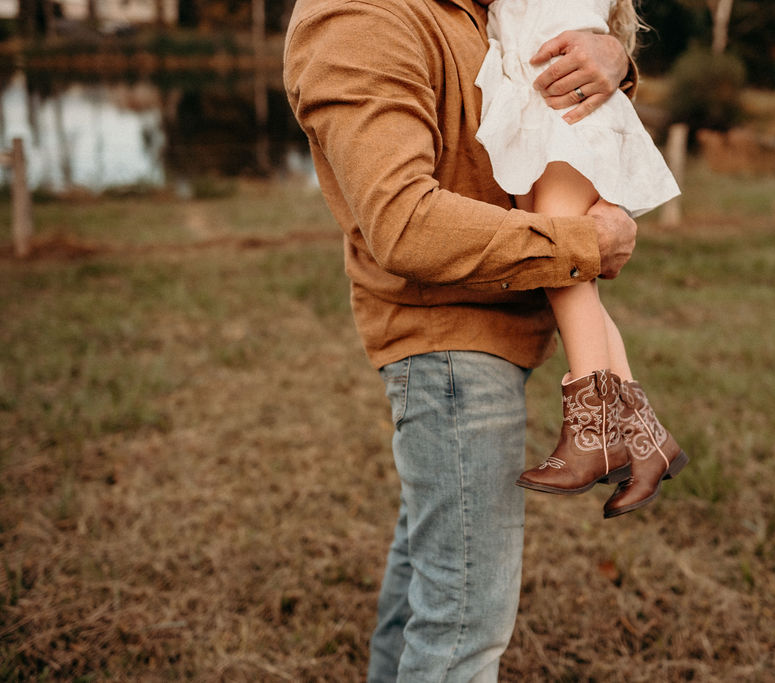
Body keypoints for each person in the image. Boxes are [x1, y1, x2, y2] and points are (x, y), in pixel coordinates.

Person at [283, 0, 640, 679]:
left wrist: (612, 58)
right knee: (463, 626)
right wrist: (579, 243)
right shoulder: (361, 17)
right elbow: (403, 222)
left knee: (430, 579)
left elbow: (540, 89)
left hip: (485, 339)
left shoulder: (477, 8)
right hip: (449, 352)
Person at [474, 0, 688, 518]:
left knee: (564, 275)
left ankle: (593, 439)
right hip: (554, 120)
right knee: (573, 283)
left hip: (562, 123)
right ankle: (646, 442)